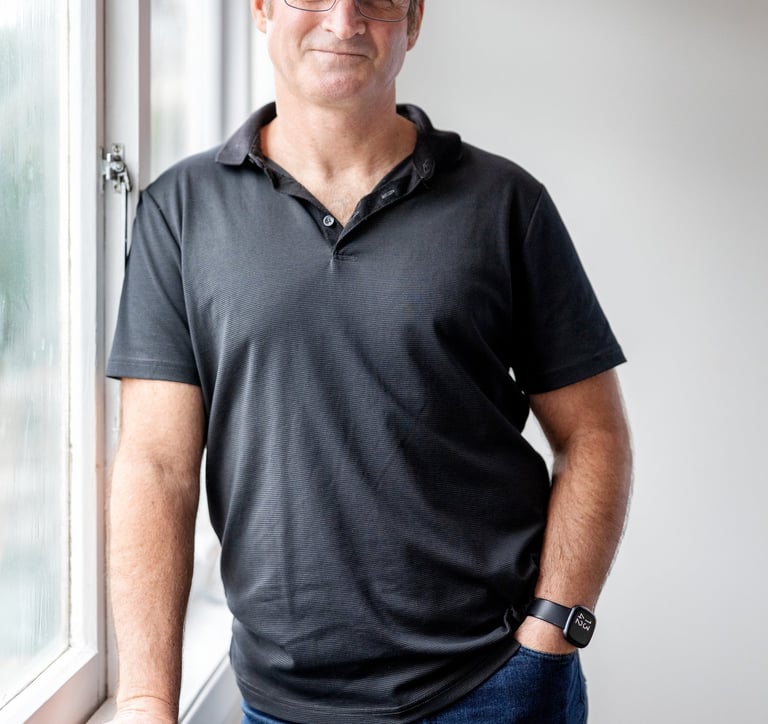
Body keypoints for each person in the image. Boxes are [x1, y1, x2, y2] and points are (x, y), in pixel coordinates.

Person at [106, 1, 632, 722]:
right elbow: (155, 466)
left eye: (378, 0)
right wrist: (142, 699)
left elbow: (594, 434)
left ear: (414, 20)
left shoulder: (507, 204)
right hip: (284, 700)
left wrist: (552, 631)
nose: (344, 20)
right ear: (261, 8)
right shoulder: (179, 213)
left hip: (496, 684)